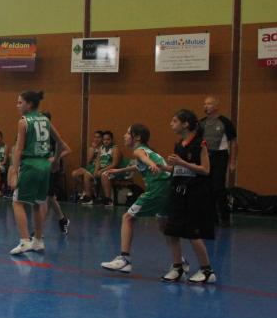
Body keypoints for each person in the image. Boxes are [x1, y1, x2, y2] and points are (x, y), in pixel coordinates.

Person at [100, 124, 172, 273]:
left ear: (137, 137)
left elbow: (143, 159)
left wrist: (151, 164)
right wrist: (120, 170)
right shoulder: (148, 150)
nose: (124, 136)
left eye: (128, 133)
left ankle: (124, 259)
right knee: (163, 224)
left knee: (127, 218)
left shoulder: (139, 151)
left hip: (157, 189)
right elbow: (139, 165)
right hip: (168, 189)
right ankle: (179, 262)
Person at [8, 90, 70, 255]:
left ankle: (24, 241)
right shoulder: (45, 119)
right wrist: (55, 160)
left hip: (30, 165)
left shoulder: (23, 122)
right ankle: (38, 241)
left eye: (20, 102)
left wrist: (14, 172)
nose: (17, 105)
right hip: (44, 167)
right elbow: (61, 143)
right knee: (38, 203)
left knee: (17, 202)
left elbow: (18, 149)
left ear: (29, 104)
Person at [161, 109, 216, 283]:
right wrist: (163, 167)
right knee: (171, 231)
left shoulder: (200, 143)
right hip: (178, 193)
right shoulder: (179, 144)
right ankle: (178, 267)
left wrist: (182, 162)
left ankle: (207, 271)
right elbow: (178, 169)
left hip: (195, 195)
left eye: (175, 121)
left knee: (193, 233)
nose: (171, 124)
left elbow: (206, 170)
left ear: (186, 124)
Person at [200, 96, 238, 227]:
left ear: (216, 106)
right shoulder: (202, 123)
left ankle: (225, 216)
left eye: (209, 103)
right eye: (205, 104)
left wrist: (232, 161)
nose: (206, 106)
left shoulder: (224, 122)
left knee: (218, 187)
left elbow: (233, 142)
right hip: (206, 157)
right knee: (206, 188)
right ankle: (211, 217)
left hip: (220, 156)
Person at [38, 112, 71, 235]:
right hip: (42, 169)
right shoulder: (39, 135)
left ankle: (38, 230)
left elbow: (67, 149)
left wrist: (55, 158)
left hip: (52, 170)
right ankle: (63, 220)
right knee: (50, 198)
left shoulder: (52, 134)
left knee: (45, 198)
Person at [71, 130, 104, 202]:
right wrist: (92, 149)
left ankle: (87, 193)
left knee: (86, 175)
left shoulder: (103, 148)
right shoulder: (92, 148)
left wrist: (97, 151)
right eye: (95, 137)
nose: (96, 139)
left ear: (102, 138)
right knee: (74, 174)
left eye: (98, 137)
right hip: (89, 167)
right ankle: (81, 192)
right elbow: (88, 161)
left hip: (97, 168)